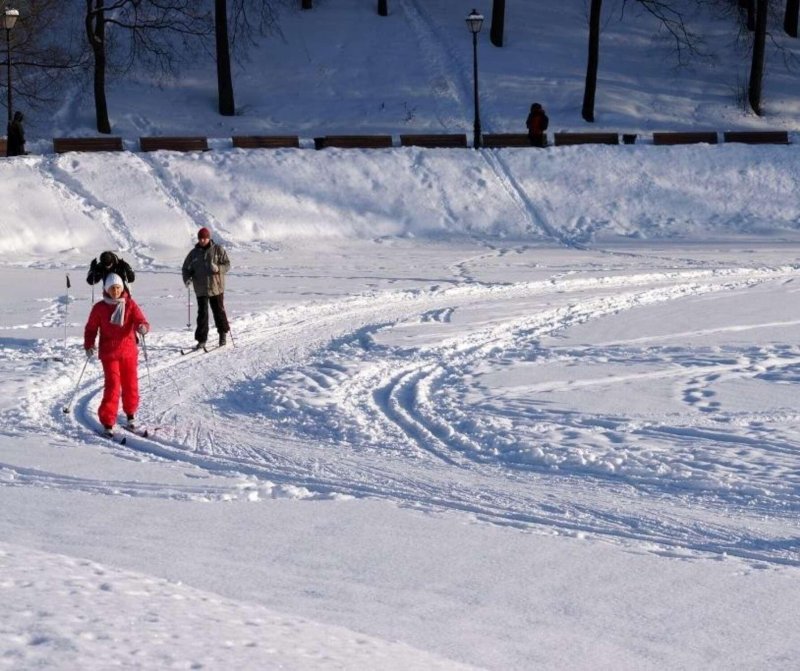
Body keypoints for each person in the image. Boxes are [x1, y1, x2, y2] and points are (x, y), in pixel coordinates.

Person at [84, 273, 150, 437]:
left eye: (118, 288)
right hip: (109, 353)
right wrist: (89, 344)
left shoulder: (130, 304)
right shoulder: (99, 308)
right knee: (113, 386)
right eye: (112, 288)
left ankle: (130, 414)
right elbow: (91, 329)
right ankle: (107, 421)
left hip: (128, 352)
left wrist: (142, 327)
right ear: (106, 289)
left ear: (122, 288)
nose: (115, 291)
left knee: (130, 384)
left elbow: (140, 320)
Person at [182, 227, 231, 348]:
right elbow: (185, 268)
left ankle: (223, 334)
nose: (202, 240)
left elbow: (227, 264)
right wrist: (187, 279)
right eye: (200, 238)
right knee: (202, 315)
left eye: (205, 238)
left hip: (216, 287)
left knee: (219, 311)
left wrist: (219, 269)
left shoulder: (218, 250)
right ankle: (201, 340)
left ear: (209, 238)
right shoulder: (193, 254)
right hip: (201, 288)